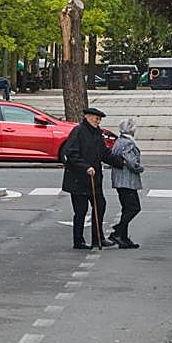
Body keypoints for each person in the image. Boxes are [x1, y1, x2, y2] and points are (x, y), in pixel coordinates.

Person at [61, 107, 126, 249]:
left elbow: (104, 153)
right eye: (96, 119)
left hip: (94, 180)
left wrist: (121, 162)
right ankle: (78, 241)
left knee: (100, 206)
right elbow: (71, 154)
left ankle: (98, 238)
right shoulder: (78, 131)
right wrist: (85, 167)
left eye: (99, 119)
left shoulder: (97, 133)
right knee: (80, 211)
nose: (98, 121)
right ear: (88, 117)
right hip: (79, 180)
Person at [108, 117, 144, 249]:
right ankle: (118, 231)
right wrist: (139, 168)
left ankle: (123, 237)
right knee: (134, 208)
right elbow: (132, 163)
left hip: (120, 180)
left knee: (126, 209)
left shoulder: (119, 141)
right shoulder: (128, 143)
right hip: (126, 181)